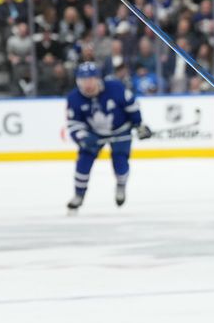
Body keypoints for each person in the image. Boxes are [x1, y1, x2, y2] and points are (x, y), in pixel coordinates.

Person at [65, 62, 152, 212]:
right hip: (93, 133)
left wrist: (139, 125)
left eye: (91, 78)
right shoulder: (74, 98)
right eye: (84, 79)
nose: (88, 83)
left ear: (98, 79)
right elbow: (74, 124)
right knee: (84, 161)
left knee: (120, 161)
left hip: (120, 129)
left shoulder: (115, 88)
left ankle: (121, 185)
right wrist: (83, 138)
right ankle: (79, 195)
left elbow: (132, 106)